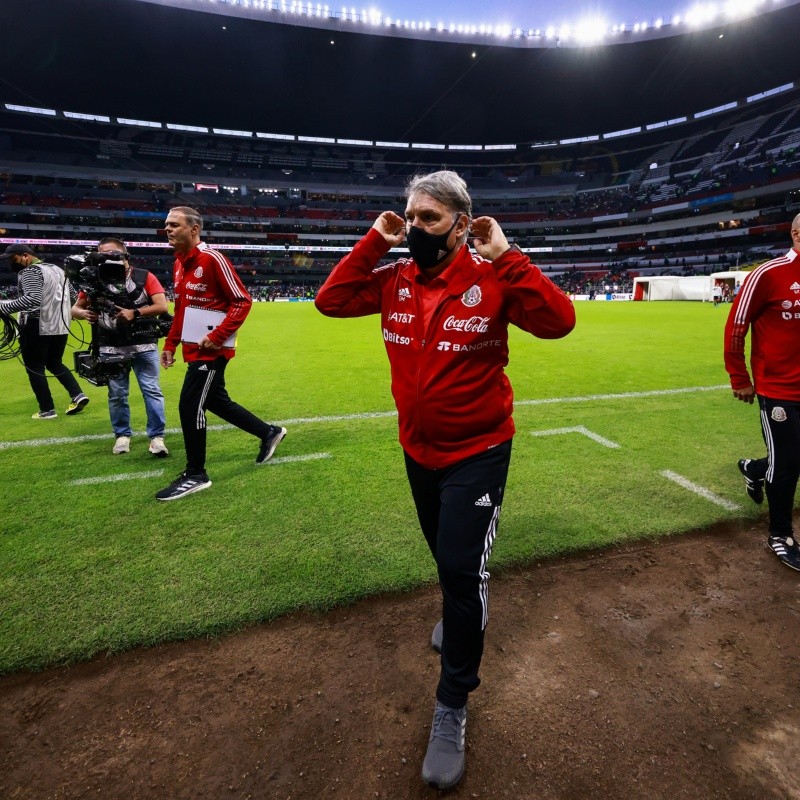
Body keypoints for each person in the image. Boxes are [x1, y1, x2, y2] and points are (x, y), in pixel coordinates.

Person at [315, 170, 576, 789]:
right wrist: (375, 241)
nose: (416, 230)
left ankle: (452, 704)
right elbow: (329, 301)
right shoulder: (395, 278)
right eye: (411, 217)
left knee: (462, 568)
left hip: (479, 450)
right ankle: (458, 612)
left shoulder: (493, 279)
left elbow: (559, 321)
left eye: (429, 219)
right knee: (444, 555)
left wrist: (508, 256)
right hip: (418, 450)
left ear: (463, 224)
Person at [156, 206, 286, 501]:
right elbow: (182, 311)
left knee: (191, 405)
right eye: (166, 225)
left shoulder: (212, 259)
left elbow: (242, 301)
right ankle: (269, 432)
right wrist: (170, 344)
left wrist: (216, 337)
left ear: (194, 228)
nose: (168, 229)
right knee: (216, 400)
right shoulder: (178, 263)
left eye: (174, 225)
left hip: (210, 351)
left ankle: (195, 473)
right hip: (192, 348)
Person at [724, 212, 800, 572]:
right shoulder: (767, 275)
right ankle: (780, 534)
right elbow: (737, 325)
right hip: (778, 387)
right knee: (787, 464)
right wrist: (739, 377)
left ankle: (754, 469)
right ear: (796, 234)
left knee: (793, 457)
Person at [71, 238, 169, 457]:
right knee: (117, 394)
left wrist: (135, 313)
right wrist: (85, 313)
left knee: (151, 391)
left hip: (143, 343)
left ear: (126, 256)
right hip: (110, 346)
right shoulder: (94, 280)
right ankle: (122, 435)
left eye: (113, 255)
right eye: (102, 255)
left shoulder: (144, 276)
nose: (108, 259)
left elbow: (162, 306)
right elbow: (74, 309)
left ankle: (157, 437)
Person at [0, 243, 89, 419]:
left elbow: (32, 300)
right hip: (60, 325)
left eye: (14, 259)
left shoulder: (30, 272)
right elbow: (72, 296)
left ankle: (47, 409)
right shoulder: (57, 270)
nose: (12, 263)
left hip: (36, 325)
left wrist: (4, 308)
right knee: (54, 362)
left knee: (34, 367)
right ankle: (78, 395)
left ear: (25, 256)